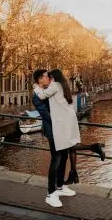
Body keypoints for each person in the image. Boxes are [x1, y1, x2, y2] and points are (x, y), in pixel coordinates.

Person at [34, 69, 105, 184]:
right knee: (71, 144)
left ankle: (94, 147)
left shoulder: (55, 85)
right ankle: (74, 174)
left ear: (54, 78)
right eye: (47, 77)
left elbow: (42, 96)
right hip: (70, 118)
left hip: (63, 120)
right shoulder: (63, 85)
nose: (49, 79)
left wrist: (36, 87)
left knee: (68, 146)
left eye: (50, 77)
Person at [32, 69, 76, 208]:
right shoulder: (36, 95)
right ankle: (50, 194)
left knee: (64, 157)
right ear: (39, 79)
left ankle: (60, 186)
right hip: (53, 131)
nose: (48, 79)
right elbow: (47, 115)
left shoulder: (52, 88)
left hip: (61, 128)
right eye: (46, 77)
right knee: (56, 159)